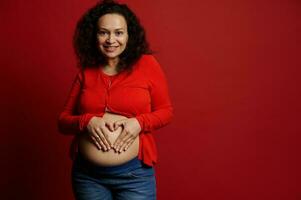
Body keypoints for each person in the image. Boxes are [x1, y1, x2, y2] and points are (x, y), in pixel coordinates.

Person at [57, 0, 173, 199]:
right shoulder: (87, 72)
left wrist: (139, 123)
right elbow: (63, 121)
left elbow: (166, 111)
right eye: (104, 32)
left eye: (118, 32)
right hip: (88, 177)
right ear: (94, 36)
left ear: (129, 35)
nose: (111, 39)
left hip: (134, 176)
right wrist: (87, 121)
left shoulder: (147, 65)